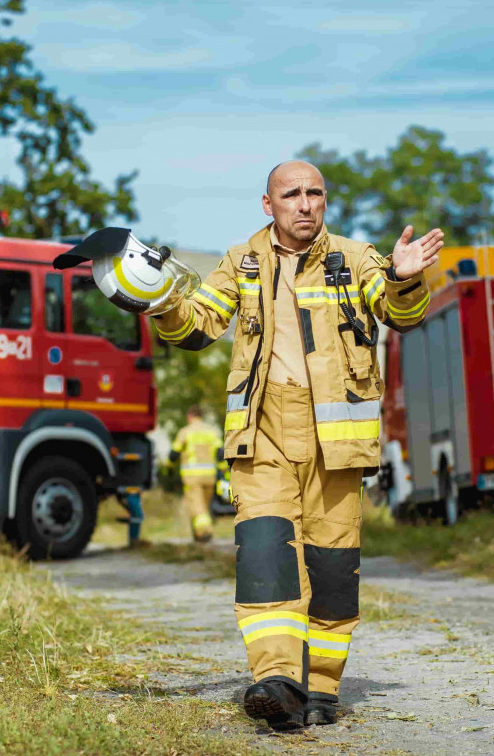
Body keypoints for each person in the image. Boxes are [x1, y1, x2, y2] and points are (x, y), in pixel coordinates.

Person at [152, 160, 442, 730]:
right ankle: (277, 680)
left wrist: (406, 277)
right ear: (269, 204)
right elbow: (198, 326)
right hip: (262, 434)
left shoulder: (356, 259)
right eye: (291, 194)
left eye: (315, 193)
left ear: (325, 201)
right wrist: (160, 300)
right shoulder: (243, 261)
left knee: (332, 569)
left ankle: (322, 691)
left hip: (337, 442)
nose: (304, 204)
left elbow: (398, 312)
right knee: (265, 556)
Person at [169, 405, 223, 543]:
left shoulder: (185, 432)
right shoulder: (211, 432)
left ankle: (205, 533)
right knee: (204, 507)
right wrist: (223, 470)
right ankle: (198, 535)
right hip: (209, 477)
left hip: (192, 477)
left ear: (189, 416)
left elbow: (174, 453)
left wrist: (169, 467)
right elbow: (220, 453)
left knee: (198, 508)